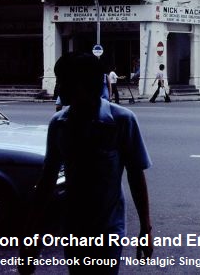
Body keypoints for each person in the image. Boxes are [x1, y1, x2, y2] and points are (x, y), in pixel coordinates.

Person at [18, 52, 153, 275]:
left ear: (87, 84)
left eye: (66, 82)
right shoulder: (59, 124)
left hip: (108, 230)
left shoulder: (122, 120)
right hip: (73, 228)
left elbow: (136, 176)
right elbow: (47, 180)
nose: (60, 88)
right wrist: (32, 234)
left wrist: (145, 229)